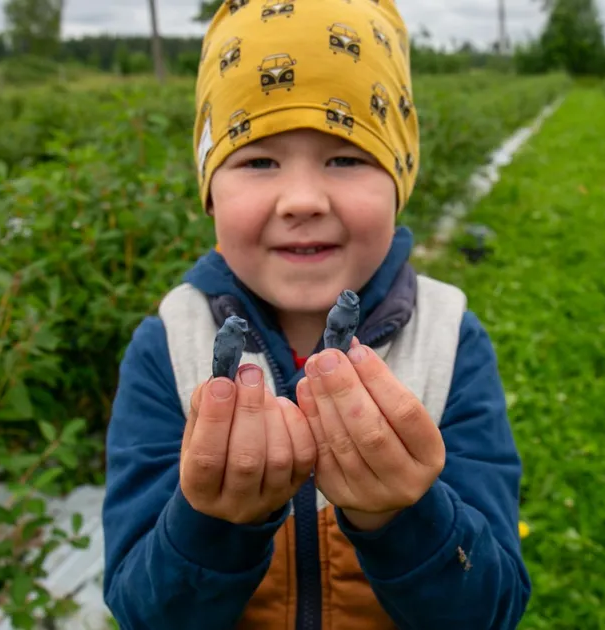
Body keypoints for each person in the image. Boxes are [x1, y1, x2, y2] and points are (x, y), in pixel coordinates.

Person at [100, 0, 530, 627]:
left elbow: (491, 610)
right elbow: (142, 612)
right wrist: (216, 522)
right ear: (209, 192)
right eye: (258, 161)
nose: (302, 200)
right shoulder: (168, 348)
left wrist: (401, 514)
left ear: (400, 183)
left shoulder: (449, 342)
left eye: (346, 158)